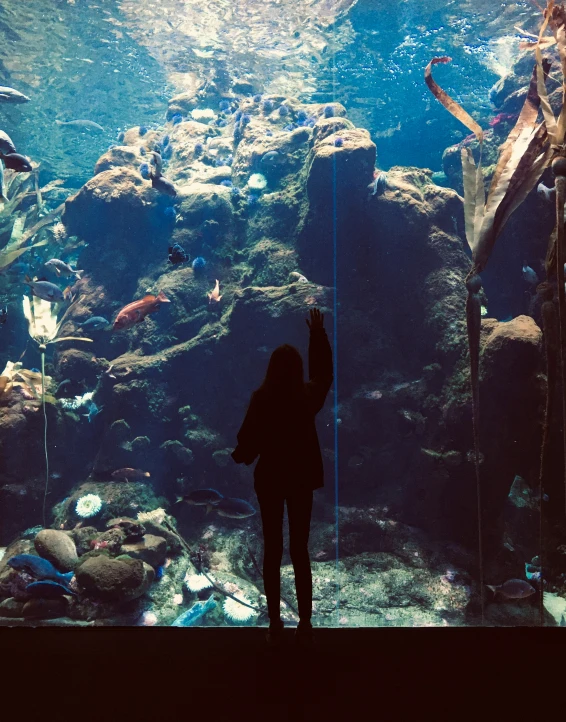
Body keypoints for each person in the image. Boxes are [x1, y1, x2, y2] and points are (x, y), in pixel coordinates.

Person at [232, 308, 333, 645]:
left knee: (272, 548)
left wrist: (241, 455)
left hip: (271, 479)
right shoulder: (306, 396)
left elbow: (249, 439)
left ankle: (275, 623)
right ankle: (305, 623)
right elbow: (325, 374)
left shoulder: (262, 397)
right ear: (297, 370)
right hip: (301, 477)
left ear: (270, 369)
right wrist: (317, 335)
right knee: (300, 549)